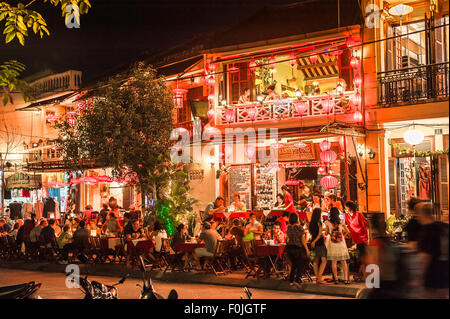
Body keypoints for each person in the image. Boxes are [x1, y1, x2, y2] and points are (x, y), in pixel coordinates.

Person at [416, 202, 449, 299]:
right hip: (446, 274)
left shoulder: (428, 231)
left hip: (433, 278)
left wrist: (419, 277)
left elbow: (426, 257)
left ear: (422, 214)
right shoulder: (445, 227)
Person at [325, 207, 350, 284]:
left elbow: (326, 233)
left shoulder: (327, 222)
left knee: (334, 261)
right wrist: (342, 234)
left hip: (332, 243)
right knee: (343, 261)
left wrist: (330, 233)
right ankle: (346, 279)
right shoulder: (341, 221)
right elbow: (347, 231)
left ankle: (336, 279)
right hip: (341, 242)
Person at [286, 212, 310, 287]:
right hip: (297, 248)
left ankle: (291, 280)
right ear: (297, 219)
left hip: (289, 248)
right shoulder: (299, 227)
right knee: (301, 264)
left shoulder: (289, 227)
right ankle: (297, 279)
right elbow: (303, 239)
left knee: (294, 264)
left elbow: (288, 238)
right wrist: (307, 249)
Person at [309, 208, 327, 284]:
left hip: (313, 241)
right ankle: (319, 277)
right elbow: (320, 234)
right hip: (319, 242)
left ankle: (317, 278)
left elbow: (311, 232)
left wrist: (313, 241)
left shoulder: (311, 223)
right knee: (324, 259)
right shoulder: (319, 223)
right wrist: (315, 241)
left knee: (316, 260)